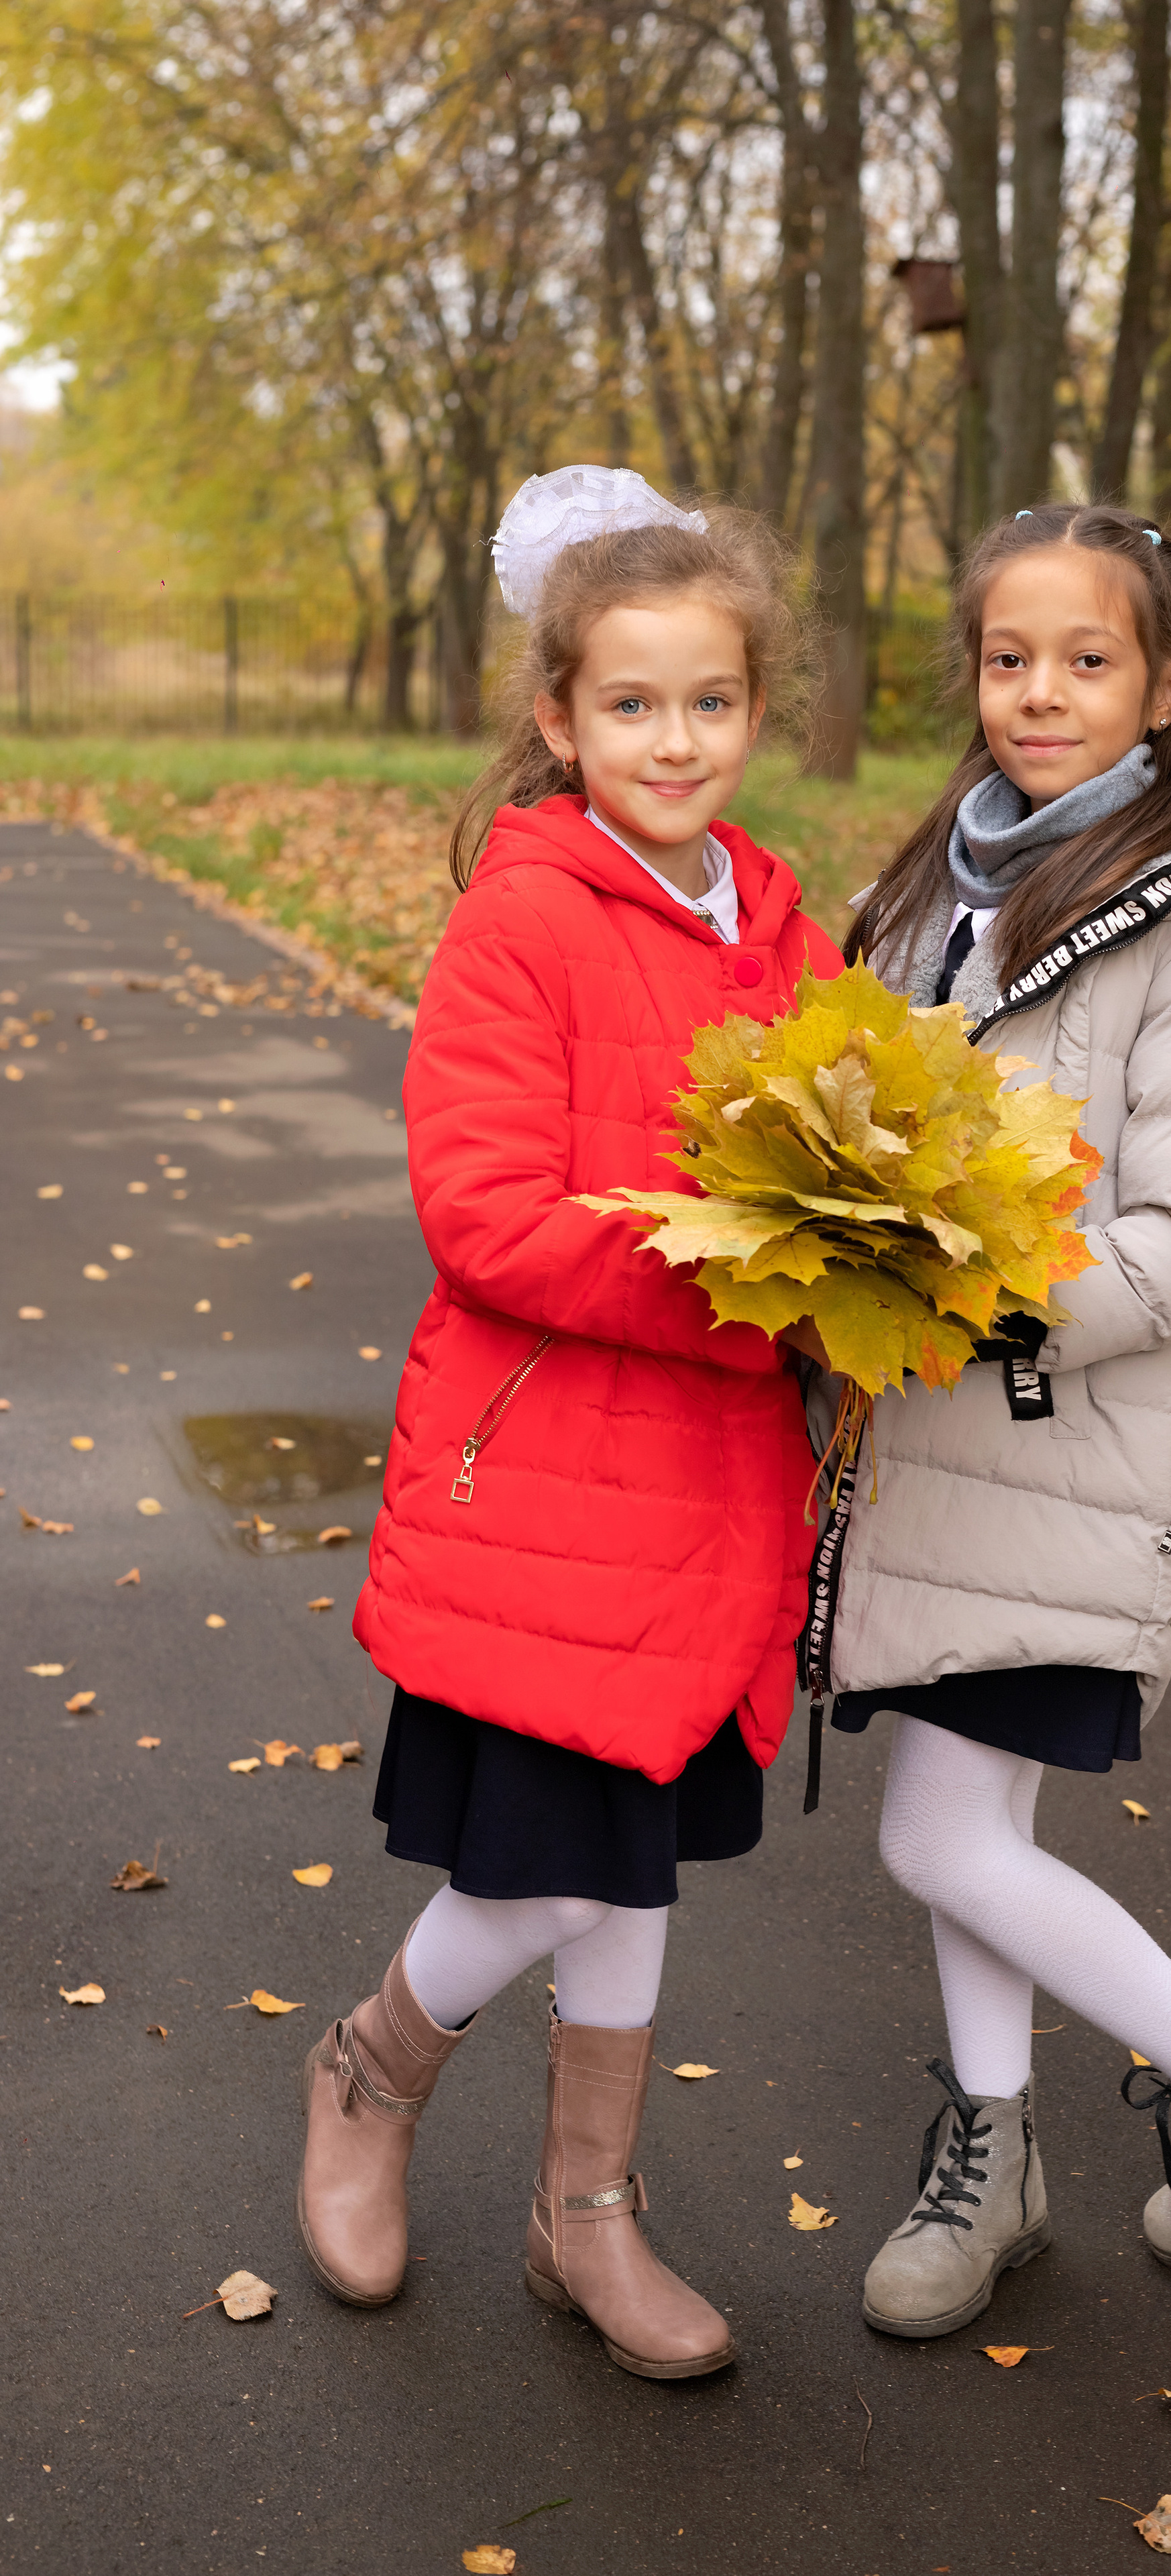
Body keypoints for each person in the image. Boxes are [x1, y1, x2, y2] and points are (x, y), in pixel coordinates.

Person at [298, 467, 841, 2381]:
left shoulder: (784, 929)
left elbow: (850, 1149)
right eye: (631, 704)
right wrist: (746, 1293)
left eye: (710, 702)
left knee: (631, 1856)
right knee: (535, 1863)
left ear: (756, 711)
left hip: (715, 1493)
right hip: (548, 1489)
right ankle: (370, 2071)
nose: (673, 740)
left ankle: (584, 2212)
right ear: (560, 717)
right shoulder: (520, 922)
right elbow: (490, 1216)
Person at [829, 501, 1171, 2341]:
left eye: (1087, 660)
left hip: (1054, 1451)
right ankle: (995, 2161)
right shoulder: (925, 898)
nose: (1040, 694)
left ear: (1169, 687)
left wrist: (958, 1294)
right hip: (923, 1452)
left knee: (939, 1837)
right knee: (965, 1819)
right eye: (1009, 659)